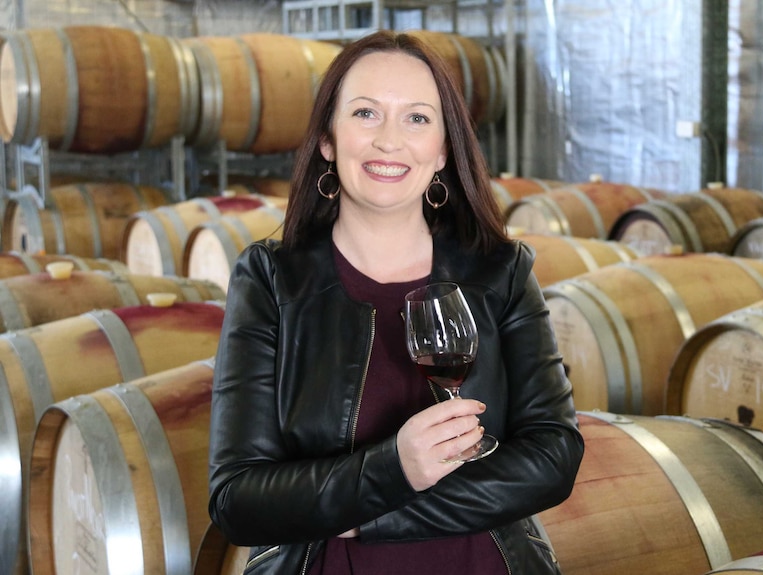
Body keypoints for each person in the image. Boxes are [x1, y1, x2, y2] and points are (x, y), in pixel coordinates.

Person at [208, 29, 584, 575]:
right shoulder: (271, 278)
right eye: (364, 113)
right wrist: (394, 468)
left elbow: (554, 456)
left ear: (442, 151)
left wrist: (372, 518)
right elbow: (237, 498)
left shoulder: (500, 270)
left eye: (416, 118)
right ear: (327, 141)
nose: (390, 140)